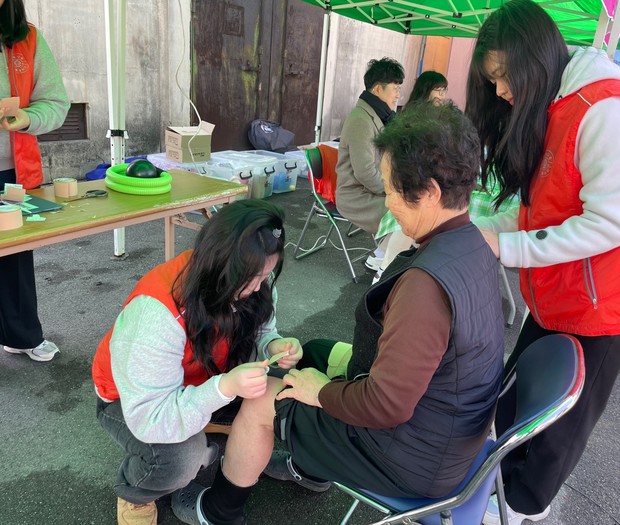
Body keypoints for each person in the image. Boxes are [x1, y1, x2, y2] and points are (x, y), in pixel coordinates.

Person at [169, 101, 505, 525]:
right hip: (449, 433)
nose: (388, 203)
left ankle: (219, 510)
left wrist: (321, 393)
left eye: (392, 190)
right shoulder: (474, 243)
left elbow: (385, 405)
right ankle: (311, 470)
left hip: (410, 459)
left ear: (432, 193)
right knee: (313, 353)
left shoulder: (425, 288)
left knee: (263, 401)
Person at [465, 1, 620, 524]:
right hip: (563, 294)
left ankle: (523, 508)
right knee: (513, 402)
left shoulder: (607, 110)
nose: (499, 91)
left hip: (613, 306)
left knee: (558, 426)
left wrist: (505, 248)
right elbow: (543, 206)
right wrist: (483, 229)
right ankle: (496, 488)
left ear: (534, 60)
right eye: (491, 81)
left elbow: (606, 225)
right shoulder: (556, 104)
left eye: (503, 76)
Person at [92, 200, 303, 525]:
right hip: (133, 401)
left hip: (203, 379)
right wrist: (224, 388)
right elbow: (151, 418)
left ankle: (217, 429)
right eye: (252, 278)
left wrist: (272, 344)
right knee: (181, 460)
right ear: (221, 266)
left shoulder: (253, 281)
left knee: (277, 397)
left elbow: (262, 329)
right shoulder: (156, 314)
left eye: (266, 275)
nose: (259, 287)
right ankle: (136, 491)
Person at [0, 0, 69, 362]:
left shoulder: (27, 39)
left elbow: (55, 102)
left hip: (12, 172)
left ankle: (22, 336)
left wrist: (25, 118)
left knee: (15, 255)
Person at [371, 70, 450, 283]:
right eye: (438, 90)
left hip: (423, 178)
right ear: (426, 90)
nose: (442, 96)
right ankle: (385, 267)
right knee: (411, 217)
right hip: (409, 176)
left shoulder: (439, 115)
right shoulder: (413, 116)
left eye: (444, 91)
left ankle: (384, 258)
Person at [335, 57, 406, 272]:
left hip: (372, 189)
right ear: (377, 89)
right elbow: (365, 172)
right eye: (395, 88)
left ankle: (385, 253)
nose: (398, 94)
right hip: (355, 195)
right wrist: (392, 192)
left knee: (411, 204)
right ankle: (381, 257)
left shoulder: (379, 116)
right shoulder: (361, 120)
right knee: (404, 211)